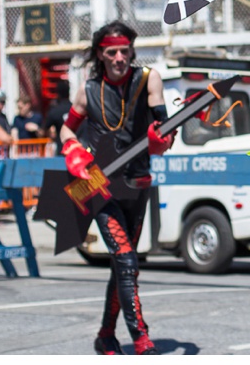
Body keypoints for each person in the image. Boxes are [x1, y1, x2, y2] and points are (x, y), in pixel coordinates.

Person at [59, 20, 175, 356]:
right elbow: (66, 131)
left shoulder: (148, 79)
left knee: (123, 264)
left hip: (137, 184)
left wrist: (162, 140)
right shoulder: (87, 90)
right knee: (126, 261)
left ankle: (106, 335)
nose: (120, 57)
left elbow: (164, 127)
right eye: (112, 52)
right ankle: (141, 339)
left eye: (125, 51)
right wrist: (73, 150)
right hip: (98, 187)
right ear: (101, 54)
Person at [43, 79, 73, 154]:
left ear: (58, 94)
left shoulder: (55, 111)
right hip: (76, 148)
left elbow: (44, 129)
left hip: (62, 150)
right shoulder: (75, 109)